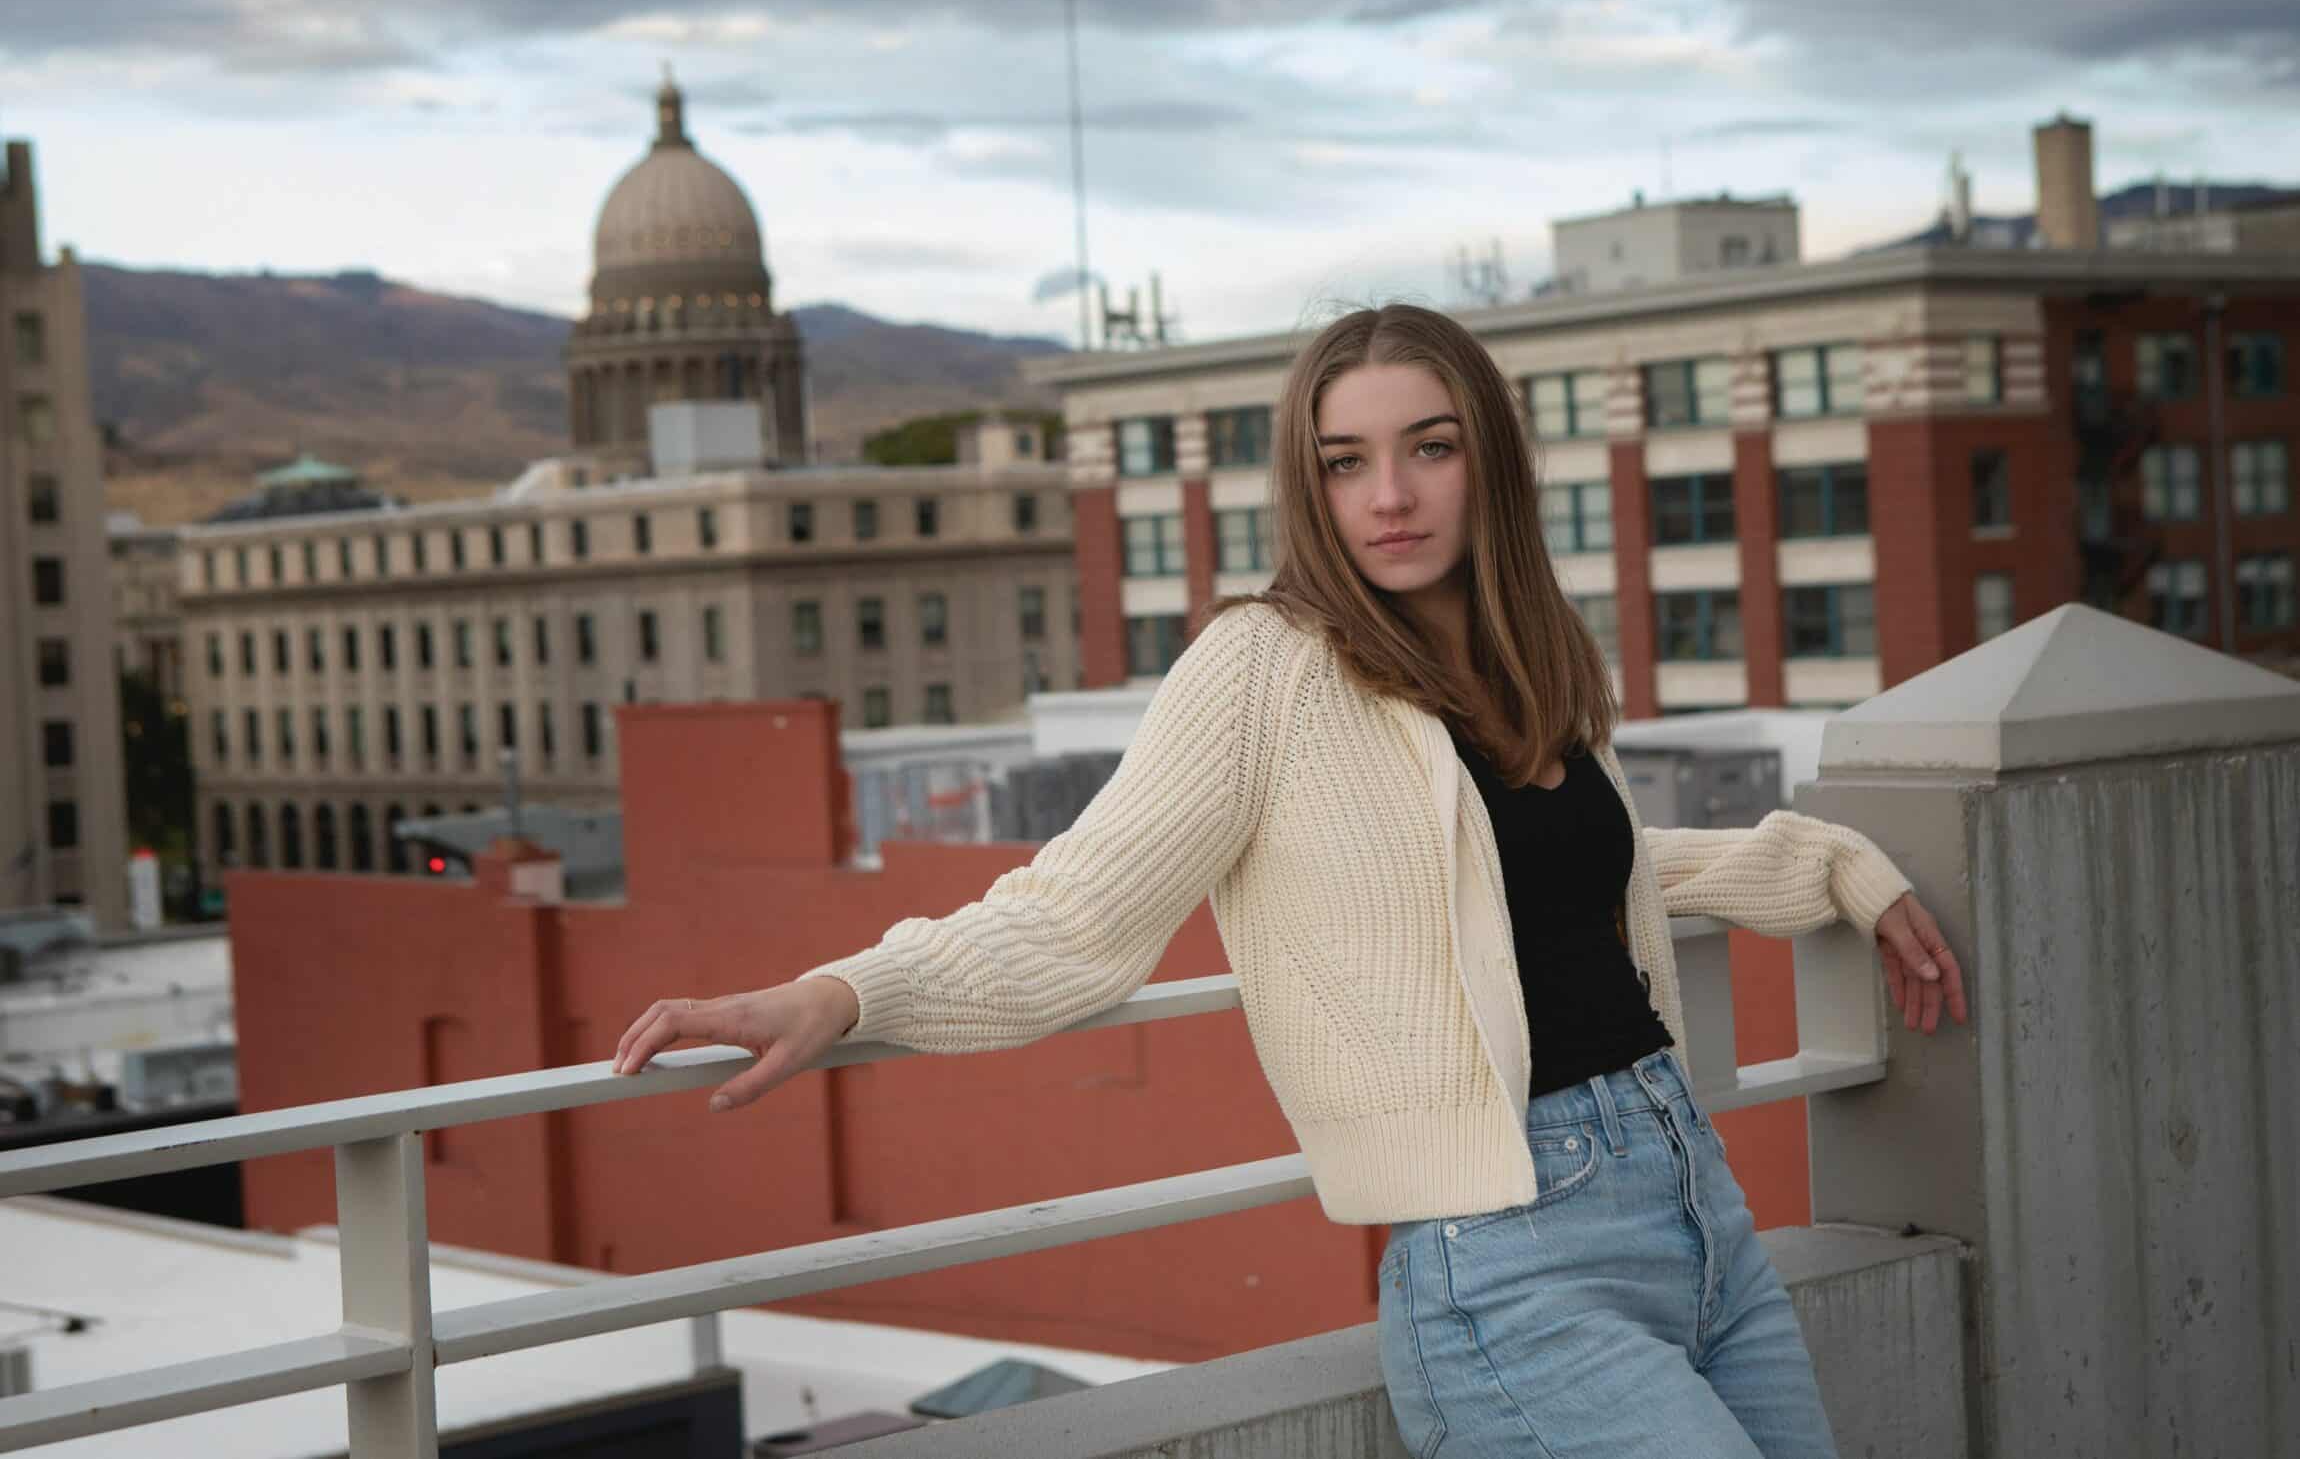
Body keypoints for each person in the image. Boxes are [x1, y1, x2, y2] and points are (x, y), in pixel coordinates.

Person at [613, 302, 1969, 1456]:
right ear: (1307, 486)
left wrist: (1819, 859)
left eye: (1428, 448)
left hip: (1696, 1203)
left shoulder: (1526, 654)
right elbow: (1077, 913)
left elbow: (1545, 886)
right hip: (1513, 1260)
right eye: (1346, 462)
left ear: (1484, 460)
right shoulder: (1263, 668)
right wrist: (844, 989)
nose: (1389, 494)